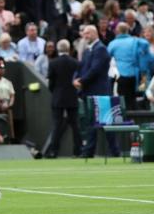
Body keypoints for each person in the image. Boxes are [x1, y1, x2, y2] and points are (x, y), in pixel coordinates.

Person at [74, 25, 118, 158]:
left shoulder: (101, 49)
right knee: (91, 122)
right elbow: (81, 67)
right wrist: (75, 79)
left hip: (100, 92)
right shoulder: (88, 50)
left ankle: (114, 151)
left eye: (87, 33)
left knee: (106, 122)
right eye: (84, 34)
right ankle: (89, 151)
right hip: (89, 92)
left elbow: (95, 70)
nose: (85, 36)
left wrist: (80, 81)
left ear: (94, 33)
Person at [42, 39, 81, 158]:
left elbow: (51, 84)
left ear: (58, 49)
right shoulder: (75, 63)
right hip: (72, 96)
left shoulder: (53, 63)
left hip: (58, 97)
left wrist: (55, 92)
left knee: (56, 125)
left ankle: (54, 151)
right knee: (75, 125)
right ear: (69, 49)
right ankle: (78, 151)